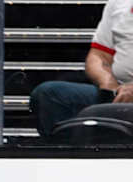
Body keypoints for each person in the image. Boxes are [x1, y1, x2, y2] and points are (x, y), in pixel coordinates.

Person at [29, 0, 133, 140]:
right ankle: (70, 157)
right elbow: (99, 55)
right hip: (119, 92)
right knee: (49, 95)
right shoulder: (119, 3)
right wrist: (109, 85)